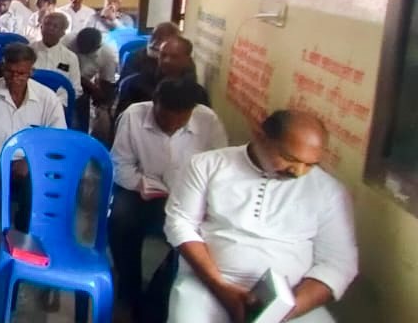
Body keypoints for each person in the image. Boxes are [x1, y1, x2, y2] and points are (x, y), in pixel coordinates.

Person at [164, 111, 357, 323]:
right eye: (290, 158)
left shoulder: (329, 192)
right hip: (208, 285)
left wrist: (282, 312)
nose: (299, 171)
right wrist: (219, 286)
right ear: (261, 137)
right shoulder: (207, 165)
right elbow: (180, 223)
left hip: (293, 298)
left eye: (310, 164)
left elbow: (338, 263)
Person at [109, 79, 226, 323]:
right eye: (164, 120)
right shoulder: (133, 116)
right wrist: (142, 184)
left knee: (202, 236)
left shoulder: (208, 120)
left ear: (191, 112)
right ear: (155, 105)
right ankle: (128, 289)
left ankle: (158, 294)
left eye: (179, 122)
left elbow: (219, 169)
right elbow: (120, 165)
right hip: (145, 190)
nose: (171, 127)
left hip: (190, 195)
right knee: (120, 218)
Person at [0, 43, 67, 257]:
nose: (15, 77)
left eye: (21, 73)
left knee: (35, 198)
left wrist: (30, 163)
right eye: (9, 71)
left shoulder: (47, 98)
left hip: (32, 165)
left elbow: (57, 142)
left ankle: (21, 249)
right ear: (2, 68)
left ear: (31, 72)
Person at [117, 35, 209, 117]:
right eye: (163, 55)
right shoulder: (133, 85)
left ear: (187, 60)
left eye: (174, 57)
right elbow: (121, 121)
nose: (167, 60)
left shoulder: (198, 93)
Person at [66, 27, 119, 136]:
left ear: (97, 47)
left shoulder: (107, 55)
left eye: (85, 51)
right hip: (64, 78)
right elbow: (61, 68)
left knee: (82, 108)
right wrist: (92, 87)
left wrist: (103, 107)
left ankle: (81, 136)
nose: (80, 51)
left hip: (84, 86)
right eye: (79, 47)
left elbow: (107, 83)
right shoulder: (67, 41)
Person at [29, 12, 82, 110]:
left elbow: (76, 88)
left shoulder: (70, 57)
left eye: (55, 26)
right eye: (47, 24)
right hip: (29, 101)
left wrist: (57, 104)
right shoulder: (28, 51)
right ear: (41, 27)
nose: (50, 29)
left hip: (58, 106)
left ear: (63, 33)